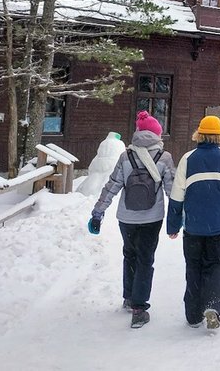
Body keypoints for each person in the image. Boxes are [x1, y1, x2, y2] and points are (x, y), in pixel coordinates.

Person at [89, 111, 175, 329]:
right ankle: (139, 308)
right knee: (146, 259)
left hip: (126, 217)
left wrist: (98, 212)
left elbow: (112, 185)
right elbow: (171, 190)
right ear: (157, 134)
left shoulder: (126, 156)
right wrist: (179, 216)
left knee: (130, 254)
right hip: (152, 218)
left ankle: (129, 296)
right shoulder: (164, 158)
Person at [167, 115, 220, 329]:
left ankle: (193, 315)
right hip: (218, 225)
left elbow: (177, 195)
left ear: (198, 134)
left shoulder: (188, 159)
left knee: (193, 267)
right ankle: (212, 305)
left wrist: (173, 225)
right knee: (217, 265)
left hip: (193, 225)